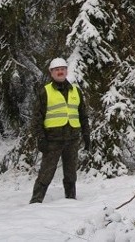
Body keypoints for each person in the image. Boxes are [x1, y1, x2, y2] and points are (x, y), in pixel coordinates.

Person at [30, 57, 90, 203]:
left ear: (66, 71)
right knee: (46, 173)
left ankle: (70, 200)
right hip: (52, 140)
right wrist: (41, 138)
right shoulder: (45, 91)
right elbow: (37, 117)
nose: (60, 72)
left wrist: (86, 134)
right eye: (57, 70)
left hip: (72, 138)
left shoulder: (76, 90)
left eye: (62, 69)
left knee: (70, 173)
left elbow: (82, 114)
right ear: (51, 73)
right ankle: (36, 201)